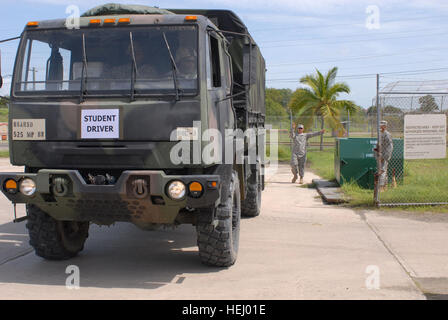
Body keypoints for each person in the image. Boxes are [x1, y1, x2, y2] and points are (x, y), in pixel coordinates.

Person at [374, 120, 393, 192]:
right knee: (381, 170)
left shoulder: (387, 134)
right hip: (380, 155)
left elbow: (390, 146)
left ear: (385, 126)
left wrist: (385, 157)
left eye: (382, 125)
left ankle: (381, 187)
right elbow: (379, 144)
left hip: (384, 155)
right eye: (380, 125)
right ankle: (384, 186)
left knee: (382, 170)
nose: (380, 126)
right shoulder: (380, 133)